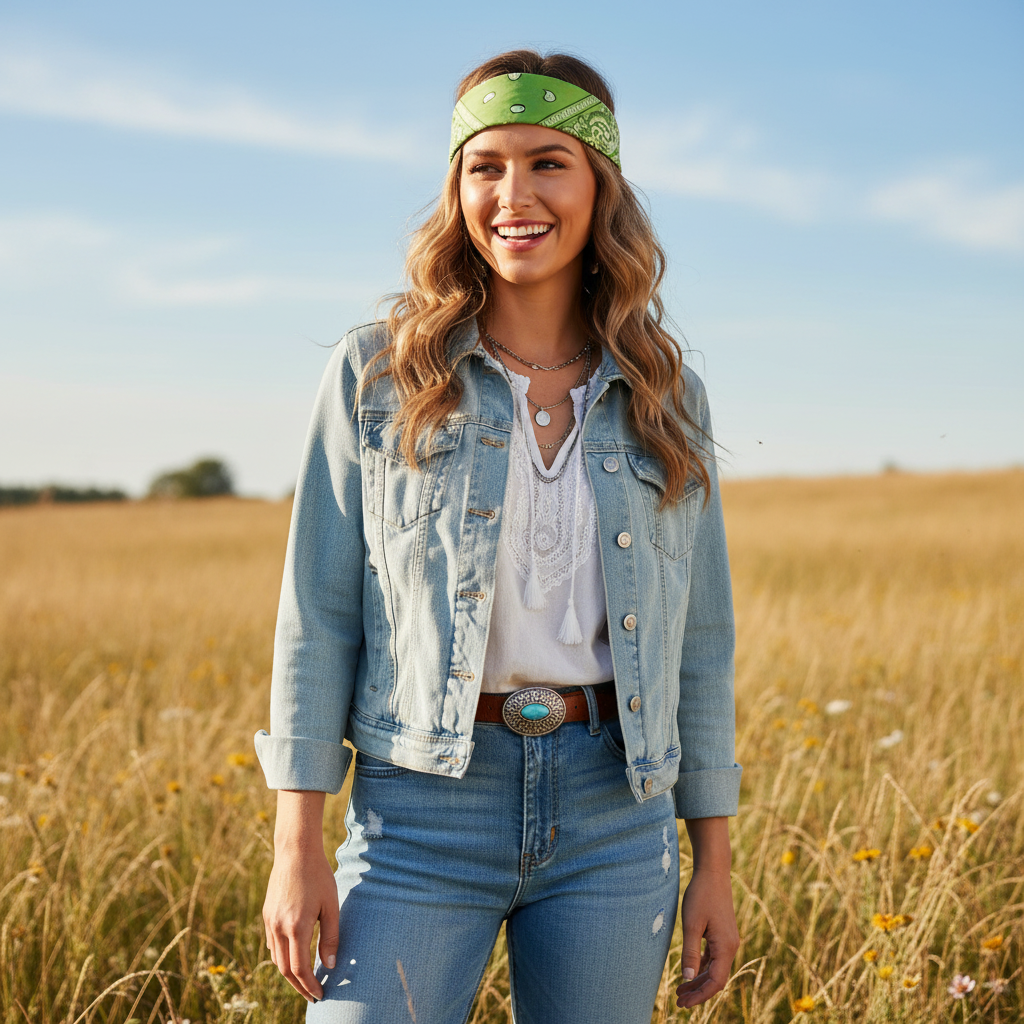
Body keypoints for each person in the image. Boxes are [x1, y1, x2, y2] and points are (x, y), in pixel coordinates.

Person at [256, 49, 742, 1024]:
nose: (513, 193)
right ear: (457, 189)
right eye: (486, 166)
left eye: (547, 162)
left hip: (617, 810)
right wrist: (295, 841)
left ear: (599, 183)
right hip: (419, 814)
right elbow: (318, 611)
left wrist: (713, 861)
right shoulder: (377, 374)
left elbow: (701, 637)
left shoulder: (664, 391)